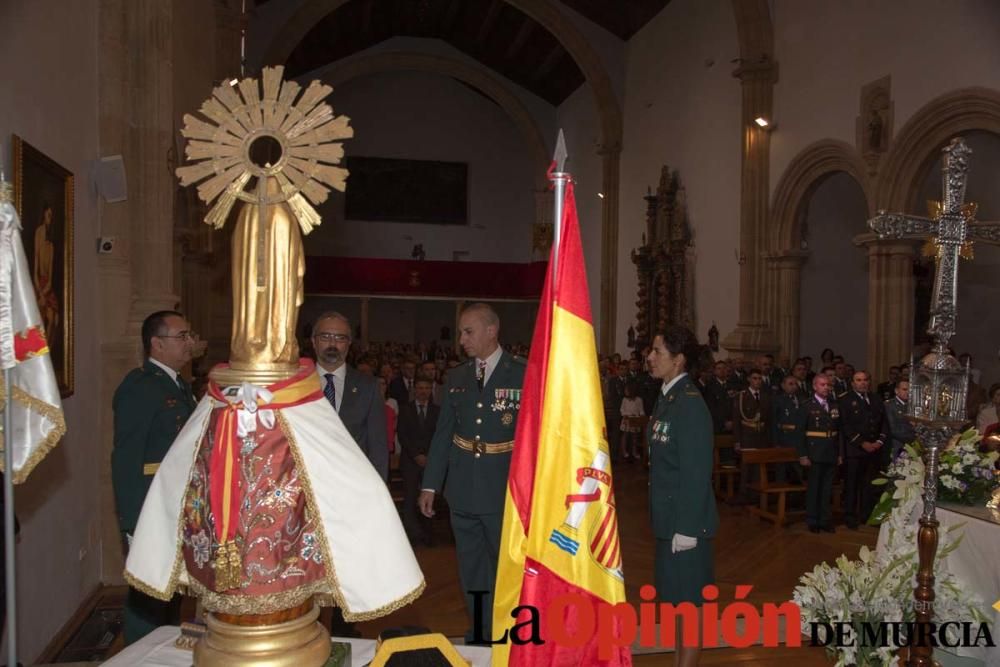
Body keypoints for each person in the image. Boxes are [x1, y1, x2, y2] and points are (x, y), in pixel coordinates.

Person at [418, 303, 525, 644]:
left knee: (505, 568)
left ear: (492, 331)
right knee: (471, 569)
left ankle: (506, 631)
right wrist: (431, 485)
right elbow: (443, 435)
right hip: (462, 488)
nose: (461, 339)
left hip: (502, 488)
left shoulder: (522, 373)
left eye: (469, 331)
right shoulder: (457, 376)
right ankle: (480, 632)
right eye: (462, 332)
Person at [112, 310, 196, 644]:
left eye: (189, 335)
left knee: (170, 590)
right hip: (149, 505)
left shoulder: (177, 385)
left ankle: (163, 649)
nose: (190, 343)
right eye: (182, 337)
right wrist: (132, 522)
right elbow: (127, 458)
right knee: (147, 594)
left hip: (172, 505)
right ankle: (140, 655)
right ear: (157, 344)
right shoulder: (141, 387)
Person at [646, 326, 718, 667]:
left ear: (679, 360)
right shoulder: (667, 397)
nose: (650, 357)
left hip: (685, 526)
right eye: (651, 350)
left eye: (657, 351)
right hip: (669, 521)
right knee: (676, 604)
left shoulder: (688, 403)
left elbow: (696, 470)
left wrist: (688, 528)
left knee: (690, 609)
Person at [312, 312, 388, 480]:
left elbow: (377, 447)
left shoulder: (368, 387)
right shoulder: (297, 385)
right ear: (314, 342)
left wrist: (377, 490)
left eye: (340, 338)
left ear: (349, 344)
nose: (333, 343)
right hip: (307, 484)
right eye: (325, 337)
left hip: (352, 484)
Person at [840, 371, 886, 529]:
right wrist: (862, 443)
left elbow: (883, 422)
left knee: (870, 485)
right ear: (852, 383)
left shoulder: (876, 399)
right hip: (854, 450)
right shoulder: (845, 400)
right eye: (859, 380)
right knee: (852, 485)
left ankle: (867, 515)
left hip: (874, 450)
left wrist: (879, 441)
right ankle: (850, 516)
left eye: (866, 380)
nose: (863, 383)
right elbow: (845, 426)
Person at [797, 373, 843, 534]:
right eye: (822, 385)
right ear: (815, 387)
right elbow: (800, 433)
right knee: (814, 488)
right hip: (814, 452)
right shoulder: (807, 405)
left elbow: (839, 432)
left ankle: (825, 520)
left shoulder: (834, 405)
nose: (826, 388)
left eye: (828, 385)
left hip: (830, 451)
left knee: (827, 489)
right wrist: (803, 455)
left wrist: (839, 453)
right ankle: (812, 520)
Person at [397, 376, 439, 546]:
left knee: (429, 498)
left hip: (431, 462)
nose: (423, 391)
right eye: (420, 388)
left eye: (426, 388)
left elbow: (439, 436)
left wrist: (429, 456)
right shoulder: (405, 409)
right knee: (410, 498)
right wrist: (416, 455)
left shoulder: (438, 411)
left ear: (431, 390)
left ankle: (428, 535)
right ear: (415, 390)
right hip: (410, 461)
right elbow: (402, 435)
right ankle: (412, 536)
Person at [733, 368, 771, 502]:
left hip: (761, 435)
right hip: (747, 435)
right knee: (746, 467)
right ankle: (743, 494)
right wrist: (737, 440)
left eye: (759, 378)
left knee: (758, 467)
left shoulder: (765, 396)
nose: (757, 381)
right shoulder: (742, 396)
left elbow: (768, 419)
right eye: (754, 378)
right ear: (749, 379)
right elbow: (737, 420)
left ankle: (756, 495)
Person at [883, 379, 916, 461]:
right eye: (904, 389)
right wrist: (915, 436)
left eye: (910, 390)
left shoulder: (914, 406)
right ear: (896, 391)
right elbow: (893, 429)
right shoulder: (889, 406)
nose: (908, 392)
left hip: (913, 446)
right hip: (897, 445)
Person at [619, 382, 645, 462]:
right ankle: (624, 452)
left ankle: (634, 452)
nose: (625, 391)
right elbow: (622, 409)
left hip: (635, 420)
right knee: (625, 436)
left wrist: (641, 416)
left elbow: (641, 410)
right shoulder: (624, 400)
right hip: (626, 419)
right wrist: (625, 415)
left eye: (627, 390)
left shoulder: (639, 400)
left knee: (634, 437)